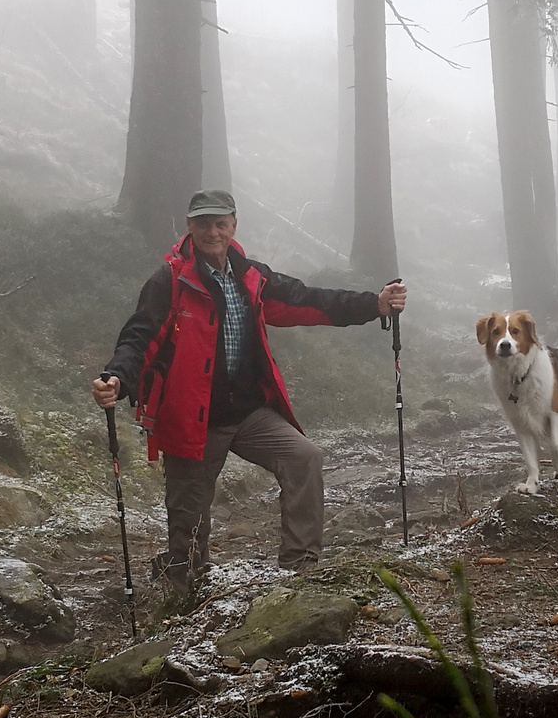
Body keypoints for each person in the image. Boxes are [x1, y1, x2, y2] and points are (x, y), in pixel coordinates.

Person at [93, 190, 408, 587]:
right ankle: (182, 588)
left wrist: (374, 304)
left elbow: (308, 300)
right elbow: (141, 336)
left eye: (220, 223)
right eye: (203, 223)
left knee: (303, 458)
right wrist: (117, 378)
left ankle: (301, 570)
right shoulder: (170, 282)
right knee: (187, 535)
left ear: (233, 225)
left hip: (249, 414)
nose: (212, 231)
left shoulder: (250, 277)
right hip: (192, 422)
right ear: (189, 227)